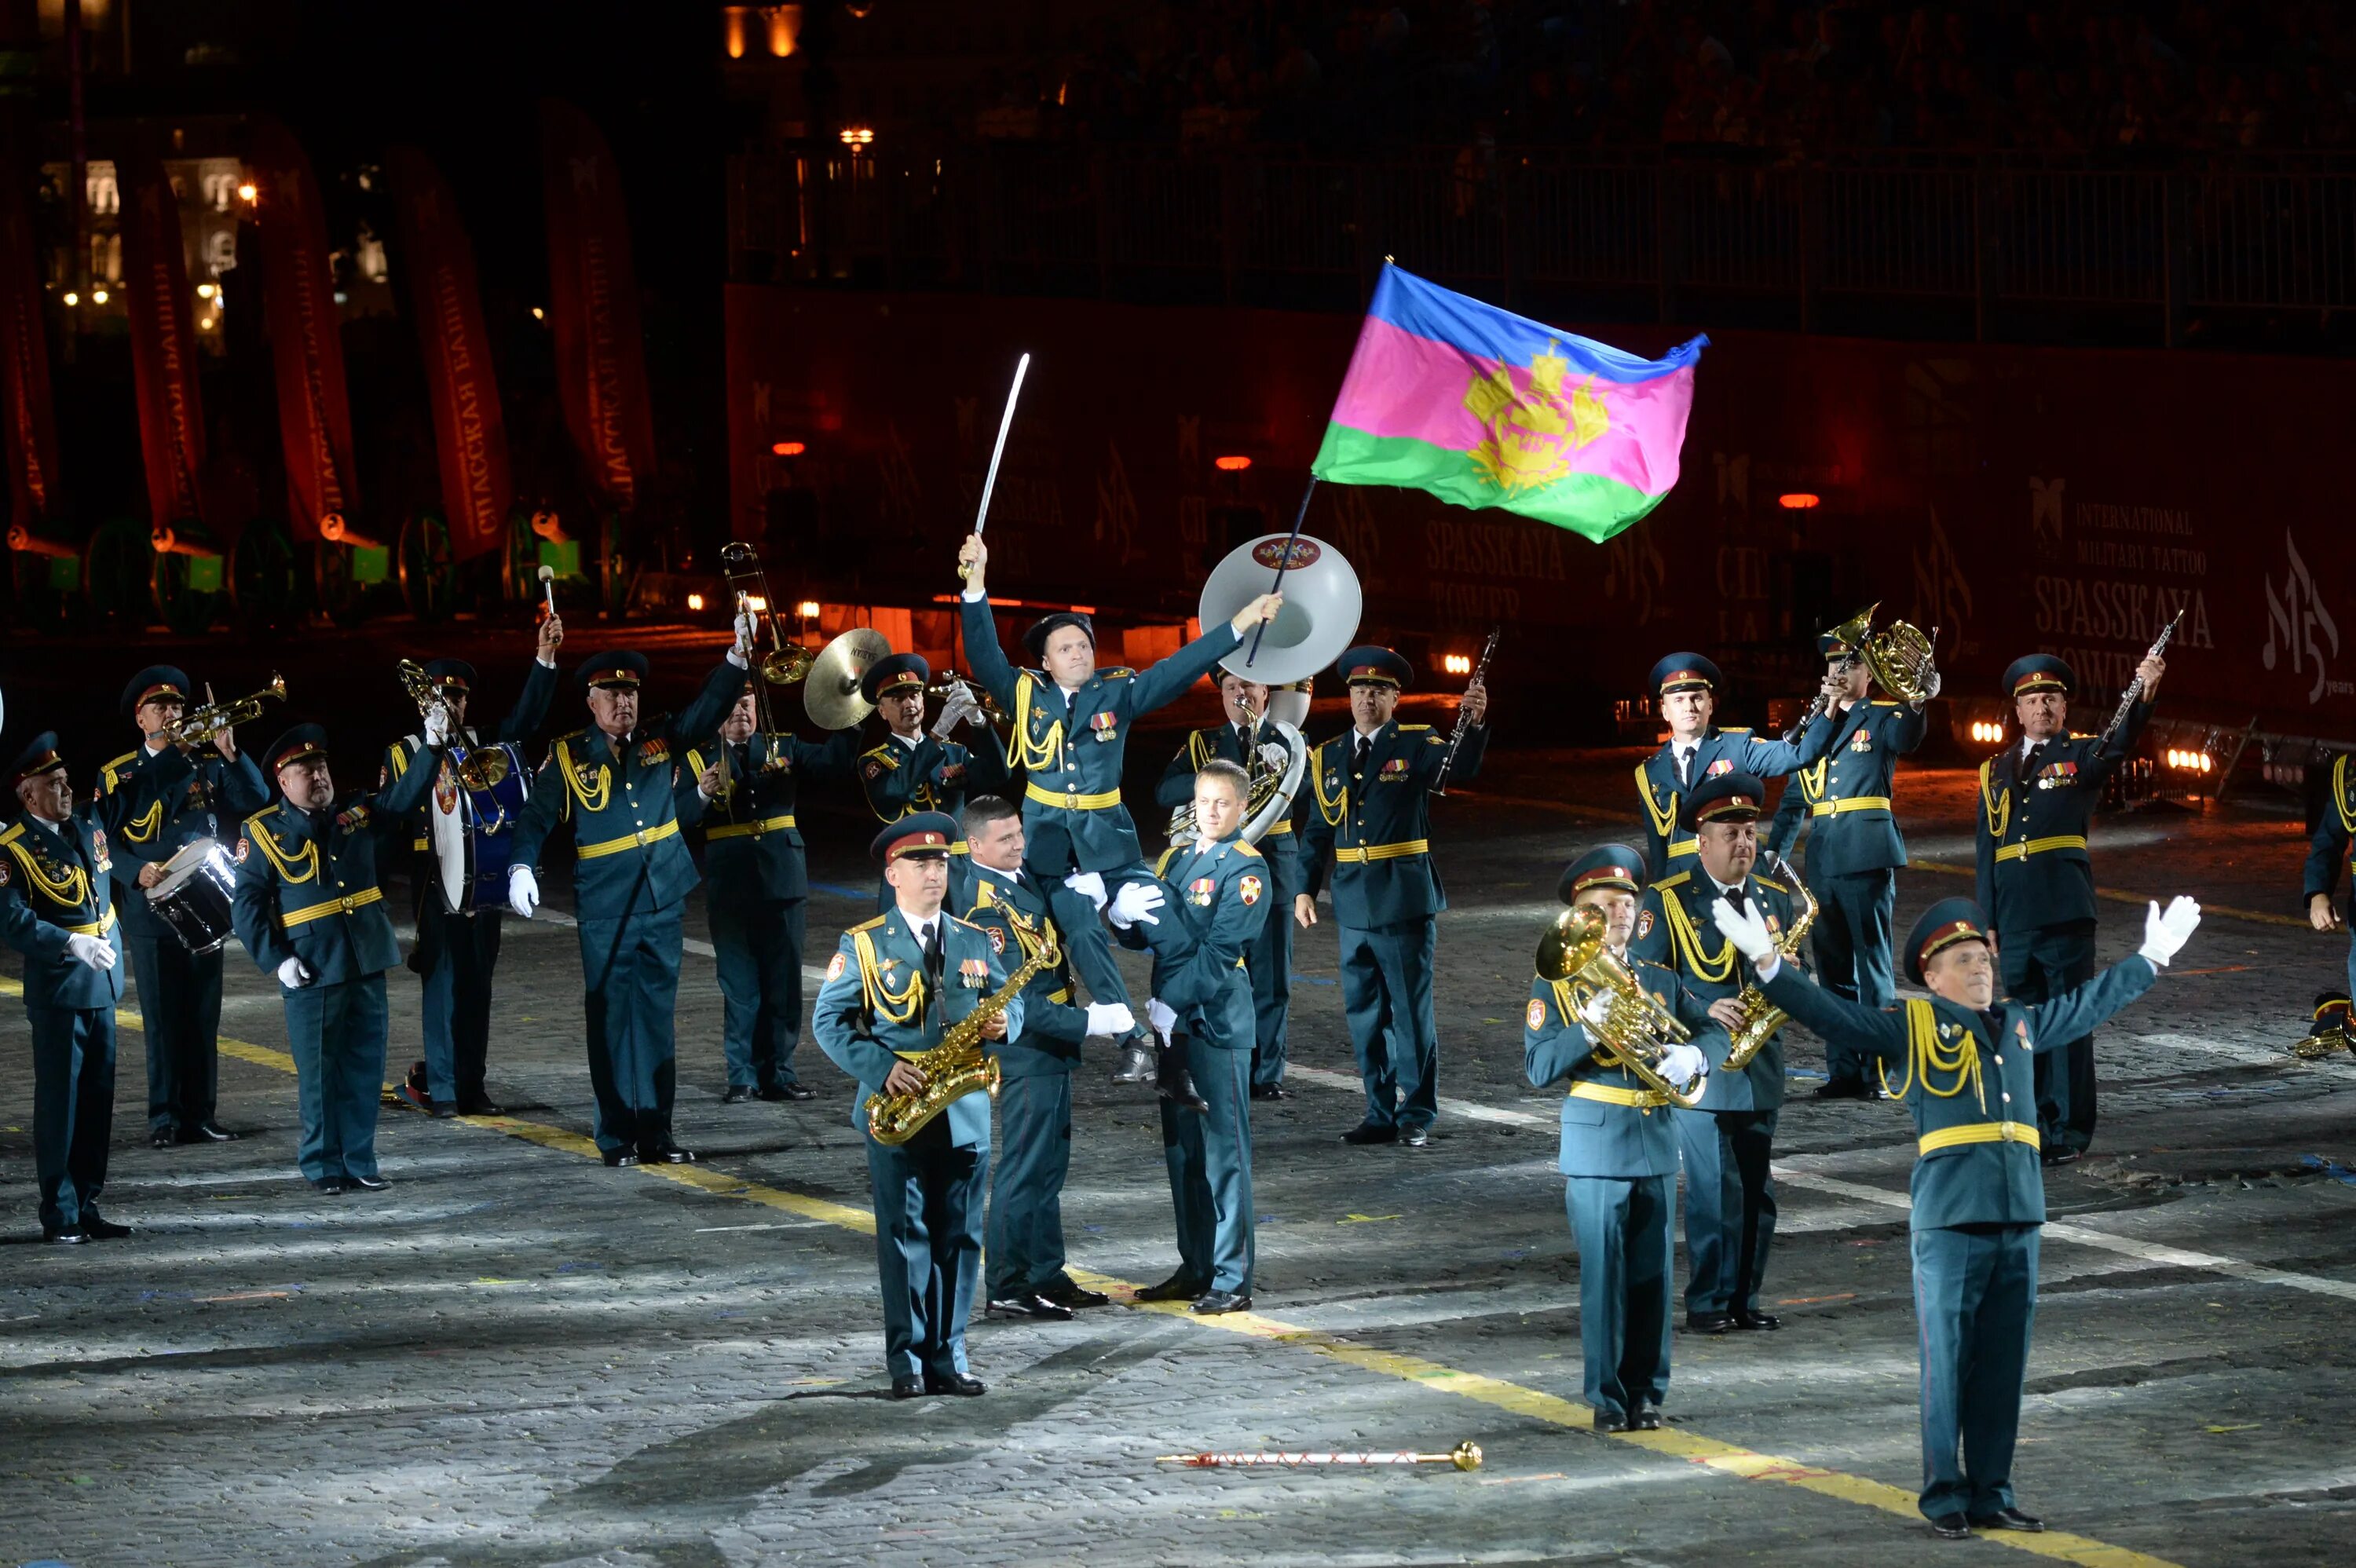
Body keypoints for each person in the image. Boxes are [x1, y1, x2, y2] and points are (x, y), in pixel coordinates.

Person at [1716, 892, 2201, 1540]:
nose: (1980, 969)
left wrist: (2149, 958)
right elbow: (1832, 1016)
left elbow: (2088, 1006)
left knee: (2003, 1366)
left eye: (1983, 957)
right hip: (1950, 1221)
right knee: (1948, 1365)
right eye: (1963, 960)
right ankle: (1945, 1493)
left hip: (2019, 1216)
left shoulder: (2022, 1023)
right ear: (1932, 975)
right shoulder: (1909, 1026)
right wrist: (1772, 966)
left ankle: (1992, 1491)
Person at [954, 531, 1282, 1097]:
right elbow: (983, 654)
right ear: (1046, 661)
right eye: (1065, 648)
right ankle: (1131, 1036)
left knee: (1170, 924)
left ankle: (1172, 1041)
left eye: (1083, 645)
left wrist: (1239, 624)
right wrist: (976, 583)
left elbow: (1176, 669)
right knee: (1080, 925)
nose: (1078, 653)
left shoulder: (1117, 693)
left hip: (1111, 845)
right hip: (1053, 854)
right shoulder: (1026, 695)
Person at [506, 632, 754, 1167]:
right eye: (613, 695)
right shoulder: (568, 754)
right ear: (591, 702)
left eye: (631, 694)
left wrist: (735, 656)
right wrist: (522, 863)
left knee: (657, 1020)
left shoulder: (660, 739)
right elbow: (534, 817)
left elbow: (708, 707)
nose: (625, 703)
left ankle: (657, 1132)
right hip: (606, 907)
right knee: (612, 1022)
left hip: (662, 897)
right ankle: (616, 1134)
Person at [813, 812, 1019, 1398]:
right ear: (893, 873)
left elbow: (1009, 997)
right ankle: (906, 1361)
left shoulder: (978, 939)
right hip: (898, 1111)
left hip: (963, 1109)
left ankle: (950, 1355)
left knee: (959, 1237)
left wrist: (1009, 1022)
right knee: (905, 1240)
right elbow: (828, 1022)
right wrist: (881, 1068)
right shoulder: (864, 943)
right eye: (921, 863)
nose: (935, 872)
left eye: (941, 862)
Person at [1524, 844, 1726, 1431]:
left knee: (1652, 1279)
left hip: (1656, 1140)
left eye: (1626, 902)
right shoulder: (1555, 986)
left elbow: (1712, 1027)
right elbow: (1538, 1068)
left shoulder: (1659, 980)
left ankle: (1647, 1392)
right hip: (1596, 1145)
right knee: (1605, 1280)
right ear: (1579, 916)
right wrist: (1590, 1025)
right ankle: (1608, 1398)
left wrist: (1696, 1055)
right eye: (1603, 904)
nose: (1617, 912)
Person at [231, 719, 448, 1194]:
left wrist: (432, 747)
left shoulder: (358, 812)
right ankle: (323, 1163)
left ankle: (360, 1158)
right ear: (283, 783)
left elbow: (402, 797)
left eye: (322, 766)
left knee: (365, 1067)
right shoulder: (264, 832)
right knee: (320, 1073)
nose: (320, 777)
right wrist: (278, 960)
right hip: (312, 965)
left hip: (365, 957)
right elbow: (246, 905)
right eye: (307, 771)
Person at [1, 729, 192, 1241]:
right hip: (62, 986)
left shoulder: (88, 822)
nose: (67, 790)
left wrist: (179, 749)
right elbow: (11, 921)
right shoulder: (13, 849)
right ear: (28, 794)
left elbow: (139, 789)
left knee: (96, 1102)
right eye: (55, 784)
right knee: (60, 1105)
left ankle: (87, 1202)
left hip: (103, 982)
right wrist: (69, 944)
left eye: (67, 781)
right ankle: (59, 1213)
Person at [1974, 651, 2163, 1164]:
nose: (2042, 707)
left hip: (2064, 911)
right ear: (2017, 710)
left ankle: (2070, 1129)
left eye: (2051, 698)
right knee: (2025, 1022)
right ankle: (2034, 1122)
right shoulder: (1995, 770)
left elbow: (2119, 743)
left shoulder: (2081, 756)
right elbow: (1987, 849)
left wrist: (2143, 693)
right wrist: (1987, 918)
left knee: (2071, 1021)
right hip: (2015, 917)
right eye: (2033, 700)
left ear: (2063, 707)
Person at [1296, 645, 1489, 1147]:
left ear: (1396, 698)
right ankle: (1379, 1111)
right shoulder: (1328, 756)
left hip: (1402, 898)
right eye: (1360, 690)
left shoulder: (1417, 741)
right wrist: (1304, 889)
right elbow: (1318, 830)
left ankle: (1416, 1112)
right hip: (1352, 902)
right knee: (1364, 1015)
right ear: (1350, 697)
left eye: (1378, 690)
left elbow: (1457, 769)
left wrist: (1473, 722)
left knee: (1409, 1012)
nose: (1367, 698)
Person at [954, 794, 1132, 1320]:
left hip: (1049, 1046)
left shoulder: (1017, 876)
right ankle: (1009, 1282)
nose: (1018, 843)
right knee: (1025, 1168)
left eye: (1019, 832)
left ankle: (1044, 1271)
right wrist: (1089, 1022)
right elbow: (1017, 1001)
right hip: (1028, 1047)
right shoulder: (985, 905)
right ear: (975, 845)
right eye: (1005, 838)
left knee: (1048, 1165)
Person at [1630, 772, 1795, 1334]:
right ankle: (1708, 1301)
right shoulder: (1668, 899)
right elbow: (1647, 985)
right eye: (1731, 833)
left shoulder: (1775, 899)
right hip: (1701, 1068)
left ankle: (1746, 1296)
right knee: (1711, 1191)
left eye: (1750, 831)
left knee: (1757, 1191)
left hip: (1760, 1064)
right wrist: (1702, 1007)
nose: (1744, 843)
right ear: (1703, 841)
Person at [381, 620, 562, 1117]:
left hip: (483, 877)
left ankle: (472, 1084)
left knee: (477, 983)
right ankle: (442, 1088)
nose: (451, 707)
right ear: (424, 705)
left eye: (457, 700)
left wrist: (543, 659)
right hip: (433, 881)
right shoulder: (406, 752)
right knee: (441, 985)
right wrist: (433, 747)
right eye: (440, 699)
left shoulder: (486, 748)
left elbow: (525, 722)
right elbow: (395, 810)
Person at [1113, 758, 1268, 1314]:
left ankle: (1231, 1275)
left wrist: (1171, 1003)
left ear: (1242, 806)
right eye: (1205, 801)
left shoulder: (1246, 870)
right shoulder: (1177, 859)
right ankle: (1196, 1263)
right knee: (1183, 1154)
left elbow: (1220, 953)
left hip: (1215, 1024)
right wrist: (1122, 917)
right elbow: (1147, 934)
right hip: (1172, 1026)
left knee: (1224, 1155)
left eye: (1223, 802)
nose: (1212, 811)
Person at [100, 665, 270, 1148]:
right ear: (141, 719)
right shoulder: (119, 773)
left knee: (201, 1017)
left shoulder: (207, 763)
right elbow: (102, 840)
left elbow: (255, 799)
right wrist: (134, 870)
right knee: (162, 1018)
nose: (173, 714)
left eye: (178, 706)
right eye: (162, 707)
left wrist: (230, 752)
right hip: (150, 908)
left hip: (205, 900)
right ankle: (164, 1119)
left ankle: (201, 1115)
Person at [1761, 628, 1935, 1098]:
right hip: (1824, 856)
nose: (1840, 673)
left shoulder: (1880, 718)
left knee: (1872, 966)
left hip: (1865, 853)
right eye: (1835, 667)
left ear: (1868, 675)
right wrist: (1775, 846)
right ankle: (1843, 1071)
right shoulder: (1818, 726)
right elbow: (1797, 794)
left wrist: (1918, 699)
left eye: (1851, 666)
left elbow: (1908, 734)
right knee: (1832, 967)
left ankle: (1877, 1072)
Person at [679, 678, 862, 1102]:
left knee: (783, 983)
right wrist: (703, 794)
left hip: (783, 878)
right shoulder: (696, 758)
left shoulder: (784, 744)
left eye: (747, 704)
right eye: (731, 706)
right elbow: (677, 817)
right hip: (732, 884)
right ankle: (742, 1075)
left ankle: (780, 1071)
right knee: (740, 985)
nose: (741, 712)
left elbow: (834, 765)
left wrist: (850, 716)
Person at [1156, 670, 1302, 1098]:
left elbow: (1310, 799)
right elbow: (1165, 792)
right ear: (1222, 694)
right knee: (1219, 963)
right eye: (1232, 687)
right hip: (1217, 871)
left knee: (1273, 973)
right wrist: (1221, 778)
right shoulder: (1204, 743)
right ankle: (1221, 1055)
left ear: (1265, 691)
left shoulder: (1288, 740)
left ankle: (1267, 1073)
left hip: (1273, 861)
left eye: (1250, 686)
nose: (1242, 694)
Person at [1633, 652, 1838, 880]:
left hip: (1738, 878)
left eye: (1697, 698)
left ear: (1710, 705)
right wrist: (1661, 899)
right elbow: (1658, 848)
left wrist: (1830, 707)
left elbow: (1798, 755)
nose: (1689, 707)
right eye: (1679, 700)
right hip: (1684, 886)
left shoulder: (1738, 746)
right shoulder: (1650, 772)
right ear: (1665, 711)